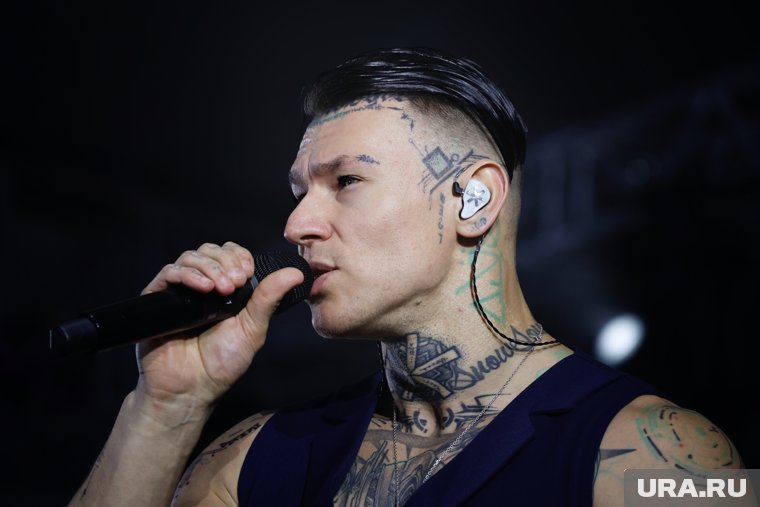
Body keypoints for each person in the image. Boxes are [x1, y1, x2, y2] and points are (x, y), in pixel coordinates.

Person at [68, 47, 747, 507]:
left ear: (473, 198)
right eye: (300, 192)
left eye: (346, 181)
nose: (298, 223)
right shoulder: (258, 457)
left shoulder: (665, 455)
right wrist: (165, 409)